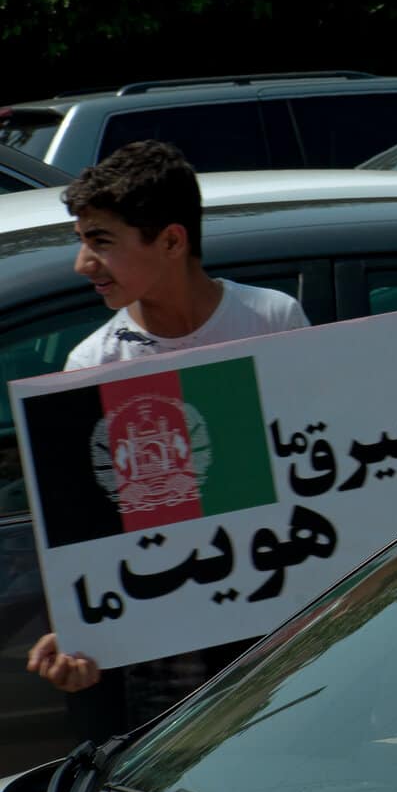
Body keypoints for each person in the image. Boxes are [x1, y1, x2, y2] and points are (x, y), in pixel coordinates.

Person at [23, 140, 309, 730]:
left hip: (278, 637)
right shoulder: (93, 363)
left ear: (172, 241)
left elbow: (313, 472)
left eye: (100, 241)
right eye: (82, 242)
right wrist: (77, 635)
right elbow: (90, 531)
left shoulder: (272, 322)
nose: (83, 264)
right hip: (165, 659)